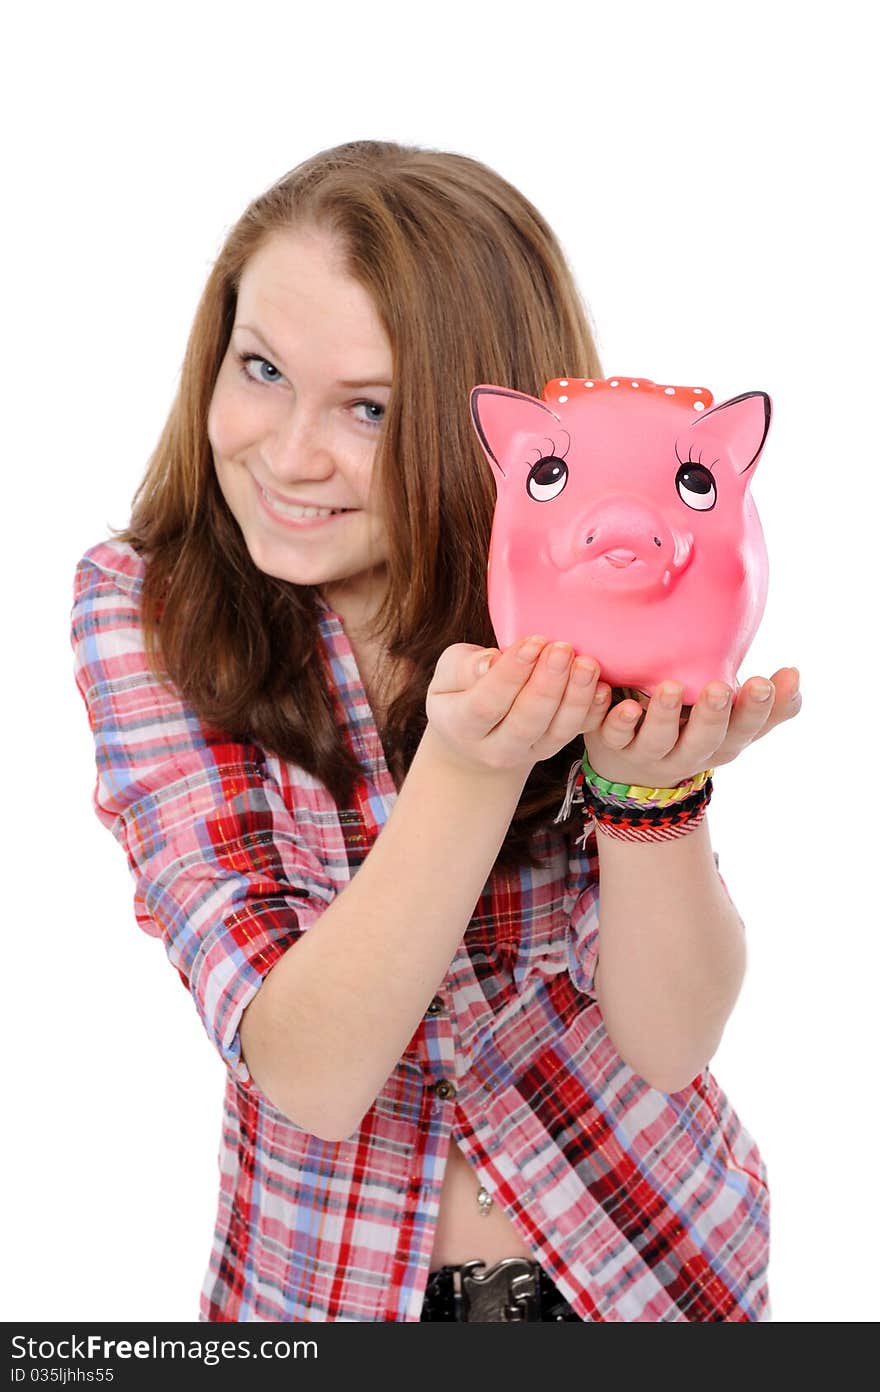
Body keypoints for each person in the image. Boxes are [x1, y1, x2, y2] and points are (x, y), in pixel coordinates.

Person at [69, 139, 800, 1323]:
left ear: (493, 434)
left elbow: (669, 1044)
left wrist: (647, 793)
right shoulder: (144, 612)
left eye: (367, 407)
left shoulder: (574, 597)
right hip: (323, 1298)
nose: (289, 454)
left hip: (651, 1269)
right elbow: (306, 1070)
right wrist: (467, 768)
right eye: (259, 369)